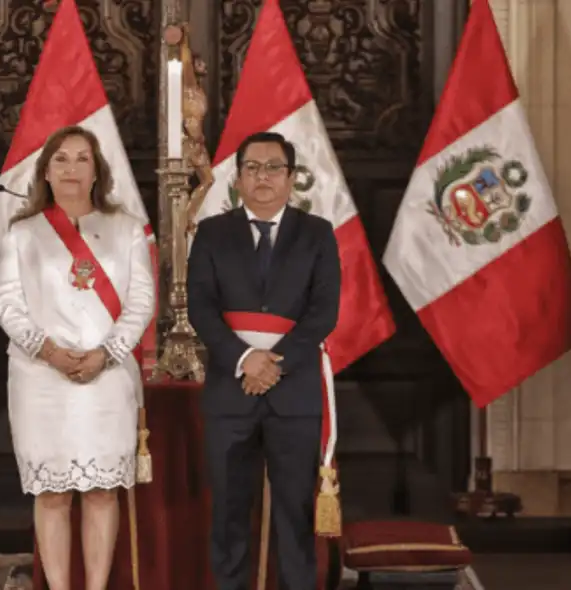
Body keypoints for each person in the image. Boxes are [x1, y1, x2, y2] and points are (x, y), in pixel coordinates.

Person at [0, 126, 155, 590]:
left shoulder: (125, 229)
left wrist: (107, 352)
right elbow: (7, 305)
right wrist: (49, 351)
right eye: (61, 159)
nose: (71, 168)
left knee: (103, 491)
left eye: (82, 159)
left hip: (106, 379)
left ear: (97, 170)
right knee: (52, 494)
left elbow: (142, 302)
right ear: (46, 169)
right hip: (41, 378)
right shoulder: (23, 234)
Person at [187, 131, 341, 590]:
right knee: (230, 514)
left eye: (274, 167)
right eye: (252, 168)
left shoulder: (317, 234)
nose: (263, 177)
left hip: (293, 396)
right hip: (229, 395)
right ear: (237, 178)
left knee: (295, 515)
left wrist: (273, 365)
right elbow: (200, 307)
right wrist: (244, 360)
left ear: (292, 178)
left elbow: (323, 313)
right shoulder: (213, 232)